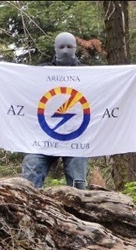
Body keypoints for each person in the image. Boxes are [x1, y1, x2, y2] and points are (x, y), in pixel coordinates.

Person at [20, 32, 89, 189]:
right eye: (61, 46)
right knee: (31, 171)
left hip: (76, 138)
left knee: (78, 183)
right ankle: (29, 209)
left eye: (69, 46)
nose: (65, 50)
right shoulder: (40, 72)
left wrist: (134, 72)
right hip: (43, 136)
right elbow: (19, 83)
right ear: (55, 49)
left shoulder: (88, 73)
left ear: (76, 48)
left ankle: (78, 213)